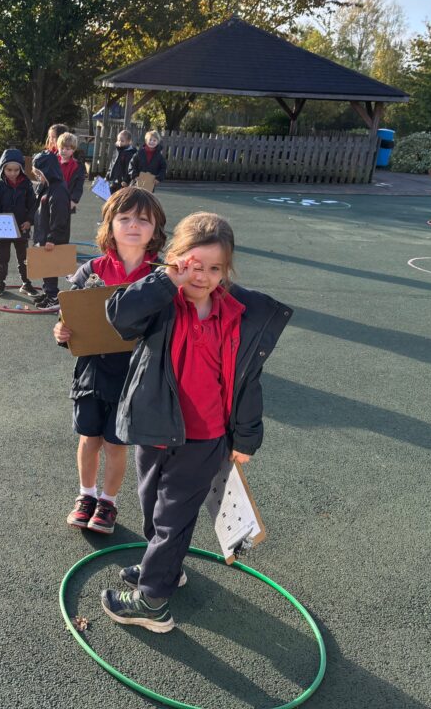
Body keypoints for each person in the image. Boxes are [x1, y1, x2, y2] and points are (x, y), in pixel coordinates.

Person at [98, 212, 292, 633]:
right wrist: (167, 281)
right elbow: (119, 316)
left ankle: (152, 602)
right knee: (152, 506)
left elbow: (246, 383)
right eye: (192, 266)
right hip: (155, 427)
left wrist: (246, 437)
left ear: (227, 270)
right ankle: (166, 568)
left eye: (214, 268)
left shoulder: (238, 314)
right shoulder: (161, 302)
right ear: (175, 260)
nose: (202, 276)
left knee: (174, 516)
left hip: (205, 438)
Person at [53, 187, 167, 534]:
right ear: (110, 225)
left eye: (143, 220)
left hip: (134, 376)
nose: (134, 225)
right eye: (125, 218)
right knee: (89, 438)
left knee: (117, 444)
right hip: (91, 370)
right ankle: (86, 495)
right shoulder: (92, 270)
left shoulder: (160, 276)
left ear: (155, 229)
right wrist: (61, 332)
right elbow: (69, 317)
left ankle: (108, 501)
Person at [0, 148, 38, 295]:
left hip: (22, 228)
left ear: (21, 169)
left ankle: (26, 283)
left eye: (16, 170)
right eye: (9, 169)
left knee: (24, 258)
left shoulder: (27, 185)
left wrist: (29, 221)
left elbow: (33, 206)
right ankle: (1, 283)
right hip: (3, 229)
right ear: (2, 169)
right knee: (2, 258)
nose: (13, 173)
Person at [31, 150, 72, 309]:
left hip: (52, 237)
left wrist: (52, 238)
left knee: (50, 267)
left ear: (47, 171)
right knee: (45, 266)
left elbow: (60, 217)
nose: (38, 177)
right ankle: (48, 292)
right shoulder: (47, 187)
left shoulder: (58, 190)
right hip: (44, 234)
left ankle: (53, 297)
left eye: (39, 174)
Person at [57, 132, 84, 214]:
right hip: (51, 198)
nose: (64, 151)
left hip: (66, 201)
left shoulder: (77, 166)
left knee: (62, 225)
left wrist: (74, 200)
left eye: (68, 149)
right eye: (61, 148)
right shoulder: (52, 161)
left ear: (73, 150)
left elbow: (78, 186)